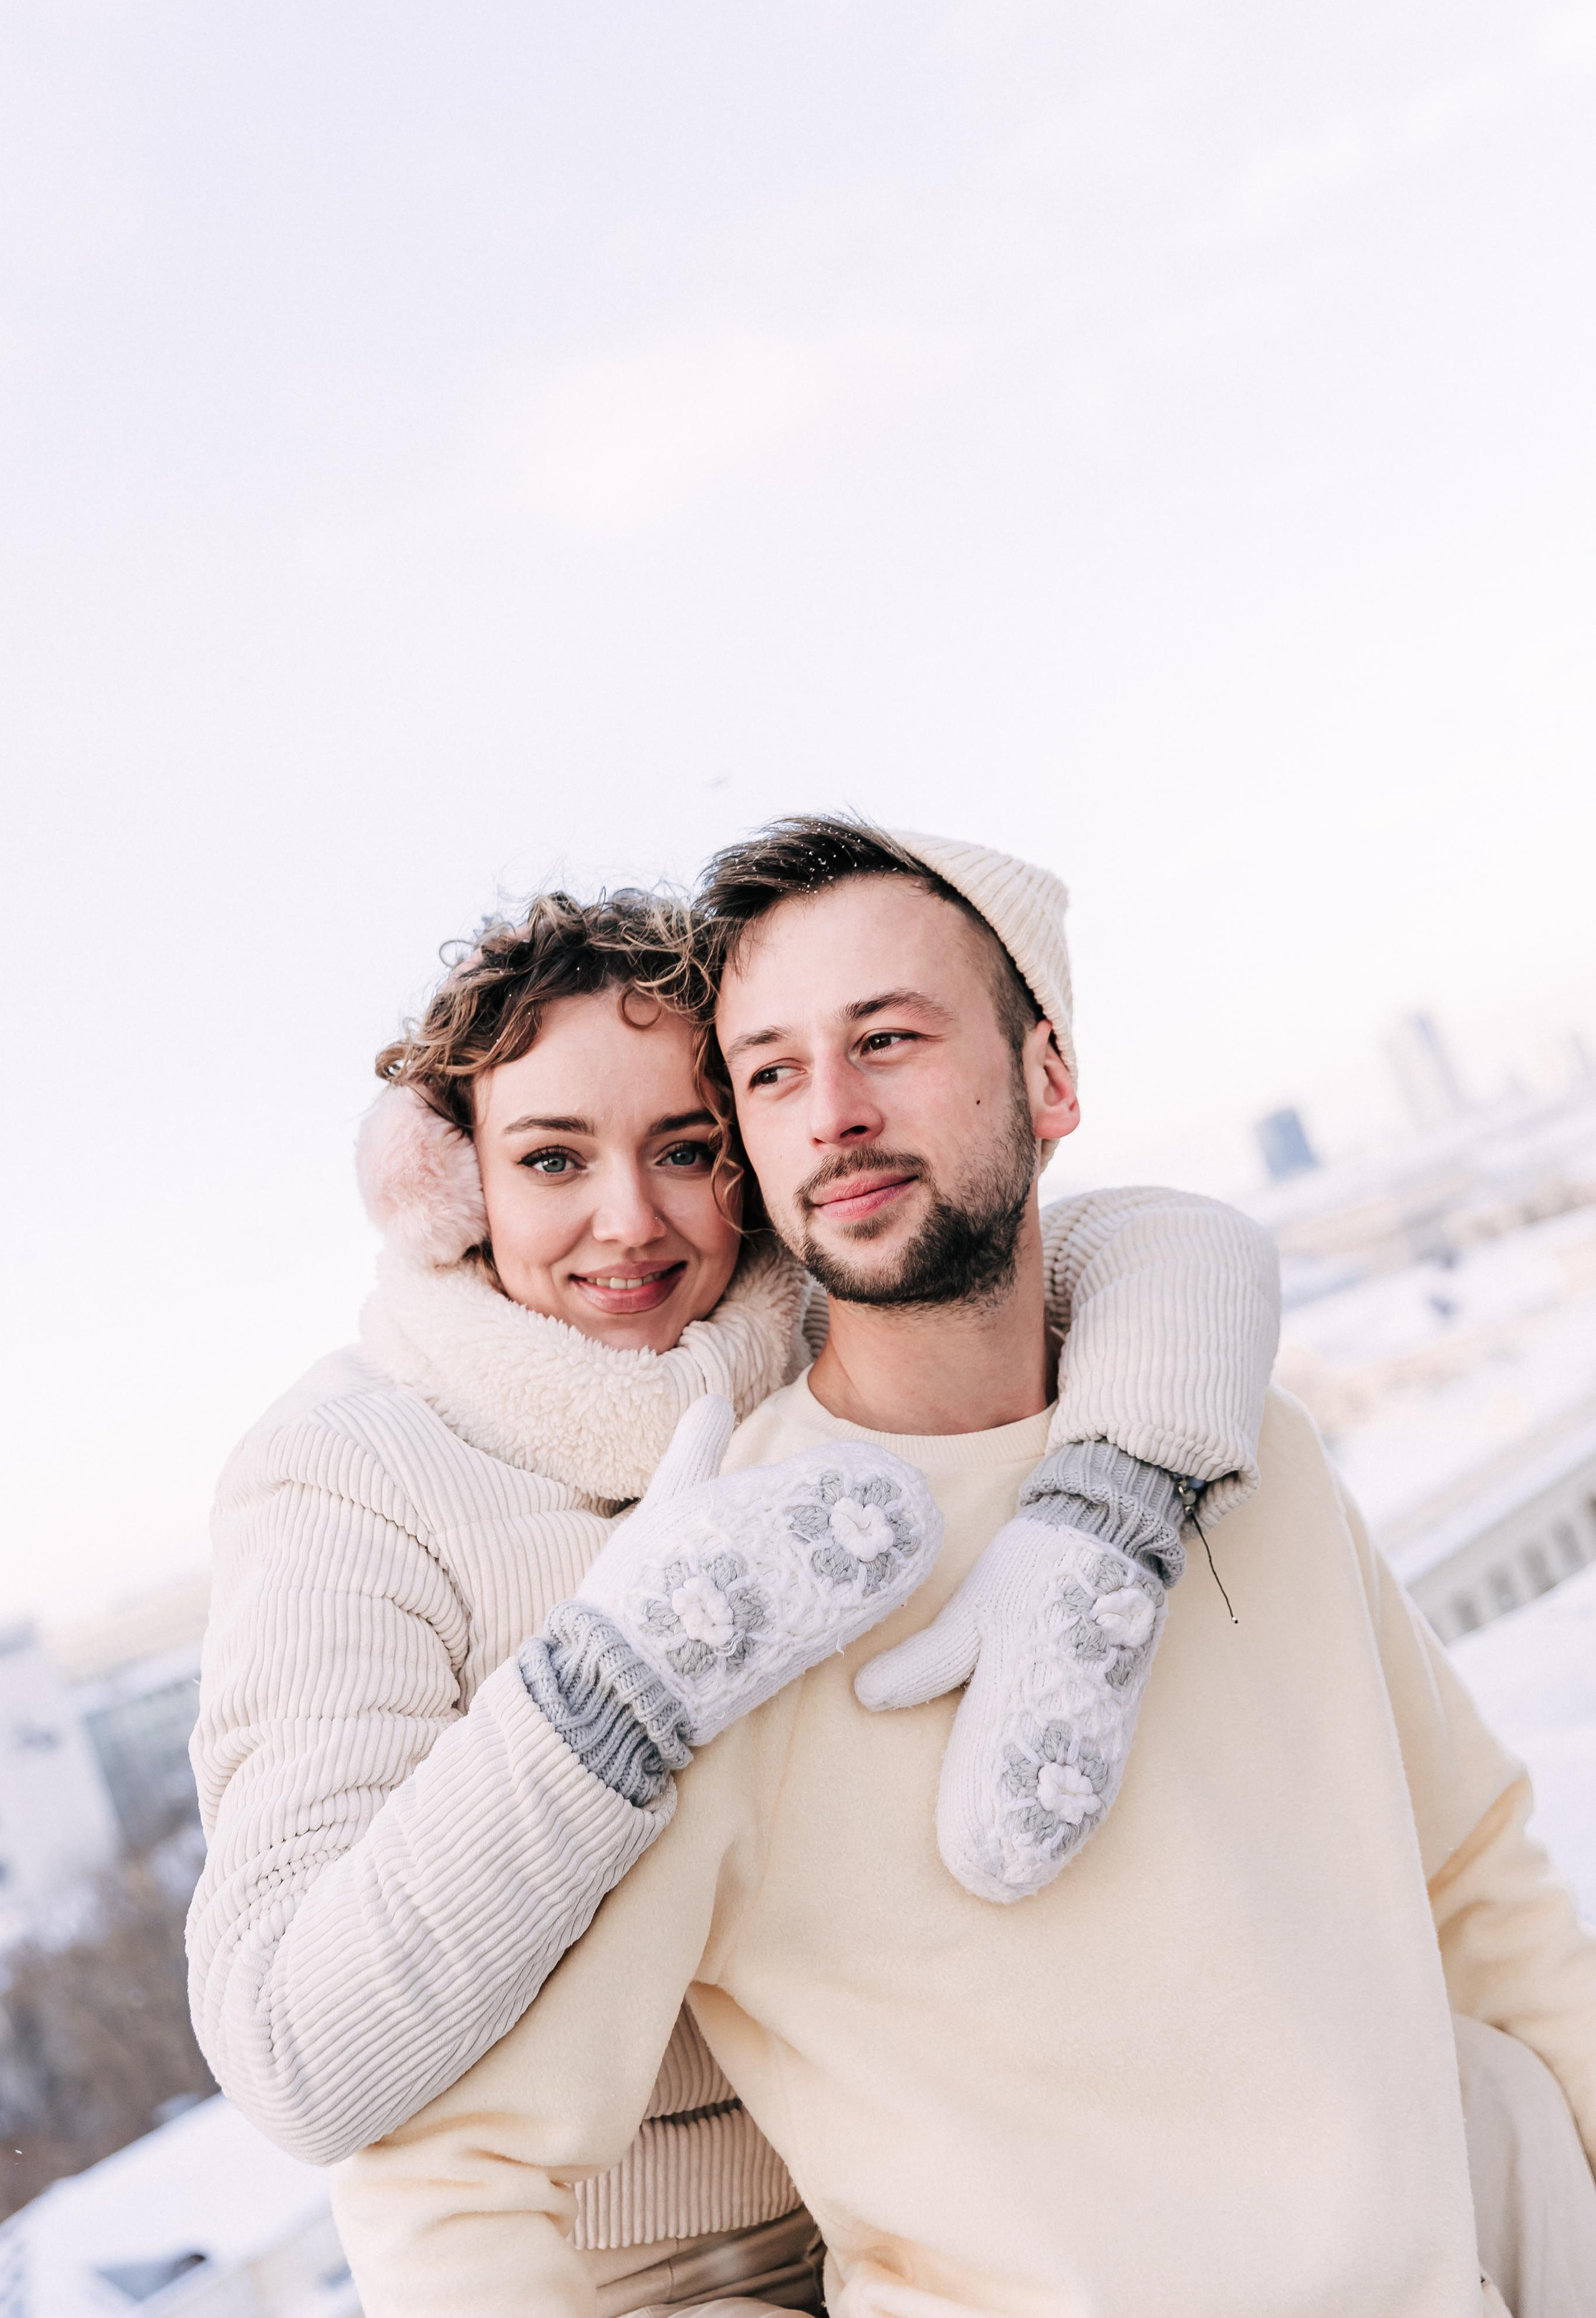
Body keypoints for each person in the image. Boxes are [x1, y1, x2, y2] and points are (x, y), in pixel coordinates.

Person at [330, 821, 1596, 2318]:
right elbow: (446, 2181)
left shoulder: (1232, 1443)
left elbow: (1475, 1883)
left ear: (1048, 1077)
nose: (835, 1114)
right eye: (773, 1072)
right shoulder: (724, 1591)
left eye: (887, 1039)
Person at [186, 878, 1281, 2314]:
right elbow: (291, 2044)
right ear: (453, 1189)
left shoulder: (796, 1335)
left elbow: (1161, 1249)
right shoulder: (347, 1475)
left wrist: (1111, 1502)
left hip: (953, 2183)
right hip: (620, 2271)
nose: (626, 1224)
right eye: (552, 1159)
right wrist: (619, 1682)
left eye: (685, 1148)